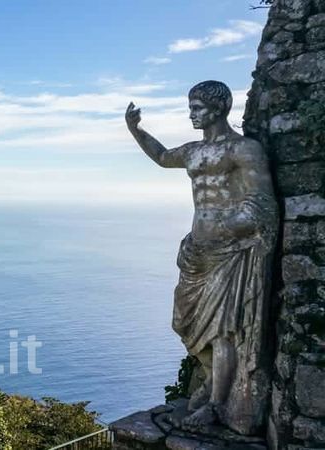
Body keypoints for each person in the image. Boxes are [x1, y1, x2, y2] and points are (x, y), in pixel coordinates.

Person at [125, 81, 277, 434]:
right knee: (184, 322)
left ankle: (217, 404)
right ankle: (212, 379)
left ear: (219, 108)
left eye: (197, 108)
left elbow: (261, 203)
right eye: (190, 107)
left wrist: (227, 228)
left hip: (229, 252)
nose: (191, 114)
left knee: (222, 330)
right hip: (197, 250)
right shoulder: (193, 151)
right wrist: (136, 131)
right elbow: (163, 157)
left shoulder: (244, 149)